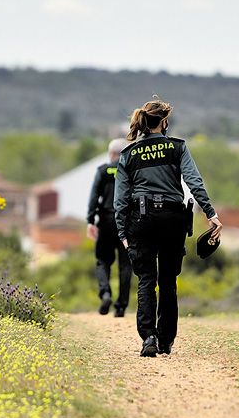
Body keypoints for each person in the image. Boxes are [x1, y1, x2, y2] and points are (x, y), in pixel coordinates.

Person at [115, 99, 223, 357]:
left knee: (146, 280)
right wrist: (211, 213)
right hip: (172, 220)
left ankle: (148, 337)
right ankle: (165, 341)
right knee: (167, 281)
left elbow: (120, 200)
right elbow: (194, 183)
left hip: (140, 220)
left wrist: (122, 232)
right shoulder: (178, 147)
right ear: (163, 122)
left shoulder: (128, 154)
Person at [87, 138, 132, 317]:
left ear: (111, 153)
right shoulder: (131, 171)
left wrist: (91, 220)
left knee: (103, 261)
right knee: (126, 265)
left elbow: (93, 197)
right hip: (127, 223)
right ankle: (121, 306)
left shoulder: (102, 171)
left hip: (106, 221)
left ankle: (105, 293)